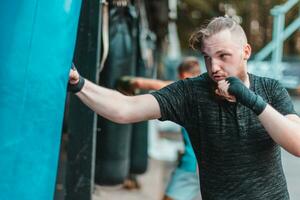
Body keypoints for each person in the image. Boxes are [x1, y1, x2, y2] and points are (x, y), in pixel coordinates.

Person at [68, 16, 300, 199]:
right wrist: (79, 83)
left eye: (223, 56)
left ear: (246, 52)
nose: (214, 67)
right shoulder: (192, 93)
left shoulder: (270, 89)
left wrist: (251, 100)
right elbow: (126, 108)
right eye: (207, 58)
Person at [116, 56, 202, 200]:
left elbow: (151, 83)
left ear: (183, 76)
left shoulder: (186, 89)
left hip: (191, 165)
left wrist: (126, 82)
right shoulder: (207, 92)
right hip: (204, 163)